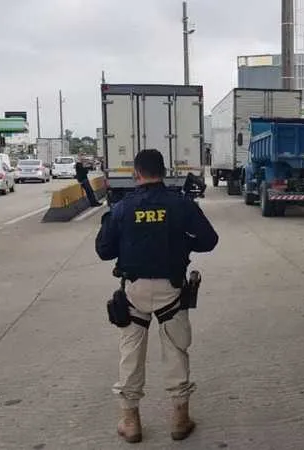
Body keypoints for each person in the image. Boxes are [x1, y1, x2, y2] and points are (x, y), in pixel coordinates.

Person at [95, 149, 219, 443]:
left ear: (136, 174)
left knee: (130, 355)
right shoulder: (181, 205)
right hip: (172, 291)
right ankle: (179, 418)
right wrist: (182, 244)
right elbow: (209, 240)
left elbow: (104, 251)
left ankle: (131, 422)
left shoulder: (123, 208)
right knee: (176, 351)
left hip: (134, 292)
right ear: (163, 172)